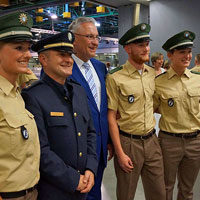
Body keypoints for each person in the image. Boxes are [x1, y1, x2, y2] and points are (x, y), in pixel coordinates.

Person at [21, 31, 98, 200]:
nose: (69, 60)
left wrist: (91, 169)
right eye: (62, 55)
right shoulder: (33, 96)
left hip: (83, 185)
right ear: (43, 59)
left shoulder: (78, 90)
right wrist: (73, 179)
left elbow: (90, 133)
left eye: (70, 55)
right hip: (54, 190)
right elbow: (40, 150)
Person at [106, 23, 166, 200]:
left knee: (159, 194)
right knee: (126, 194)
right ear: (127, 48)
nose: (146, 48)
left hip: (151, 140)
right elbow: (111, 116)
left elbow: (154, 104)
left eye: (147, 44)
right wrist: (120, 152)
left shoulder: (151, 73)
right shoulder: (116, 77)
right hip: (128, 143)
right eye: (140, 45)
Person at [154, 30, 200, 200]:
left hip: (195, 142)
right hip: (169, 142)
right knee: (165, 187)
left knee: (187, 190)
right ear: (170, 55)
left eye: (189, 52)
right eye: (182, 52)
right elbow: (153, 108)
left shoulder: (198, 79)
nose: (187, 56)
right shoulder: (159, 82)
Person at [68, 17, 111, 200]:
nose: (95, 42)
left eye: (97, 37)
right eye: (89, 37)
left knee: (95, 193)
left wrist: (107, 141)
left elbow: (103, 108)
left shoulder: (100, 68)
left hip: (99, 148)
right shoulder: (63, 66)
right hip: (75, 150)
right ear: (73, 38)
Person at [0, 12, 40, 200]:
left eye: (28, 48)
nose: (27, 54)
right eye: (18, 48)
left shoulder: (17, 94)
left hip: (31, 192)